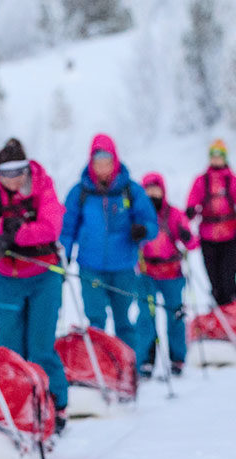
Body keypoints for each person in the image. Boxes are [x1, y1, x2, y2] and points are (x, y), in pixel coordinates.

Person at [0, 138, 71, 430]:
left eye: (18, 172)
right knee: (10, 350)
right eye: (6, 174)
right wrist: (1, 227)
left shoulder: (42, 185)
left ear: (26, 169)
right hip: (7, 278)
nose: (13, 180)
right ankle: (17, 404)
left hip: (43, 275)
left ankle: (56, 402)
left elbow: (50, 227)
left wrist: (16, 234)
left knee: (40, 346)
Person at [59, 133, 158, 351]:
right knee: (95, 321)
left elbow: (152, 224)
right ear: (91, 163)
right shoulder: (80, 192)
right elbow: (66, 229)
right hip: (90, 267)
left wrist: (143, 230)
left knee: (124, 321)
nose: (102, 168)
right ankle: (101, 369)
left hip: (123, 266)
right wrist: (63, 254)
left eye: (107, 162)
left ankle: (130, 368)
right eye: (98, 163)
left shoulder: (131, 190)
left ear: (115, 161)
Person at [138, 172, 197, 377]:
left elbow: (192, 243)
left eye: (156, 189)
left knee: (175, 316)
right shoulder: (138, 216)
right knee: (146, 317)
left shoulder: (174, 215)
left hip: (172, 273)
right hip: (147, 273)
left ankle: (177, 358)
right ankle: (145, 359)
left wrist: (186, 236)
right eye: (148, 189)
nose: (152, 193)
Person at [184, 139, 236, 307]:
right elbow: (193, 201)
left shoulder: (233, 180)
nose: (216, 160)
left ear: (224, 158)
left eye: (219, 156)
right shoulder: (201, 181)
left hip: (230, 234)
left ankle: (232, 306)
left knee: (229, 274)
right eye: (213, 157)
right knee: (213, 277)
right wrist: (190, 211)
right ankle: (220, 307)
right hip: (208, 235)